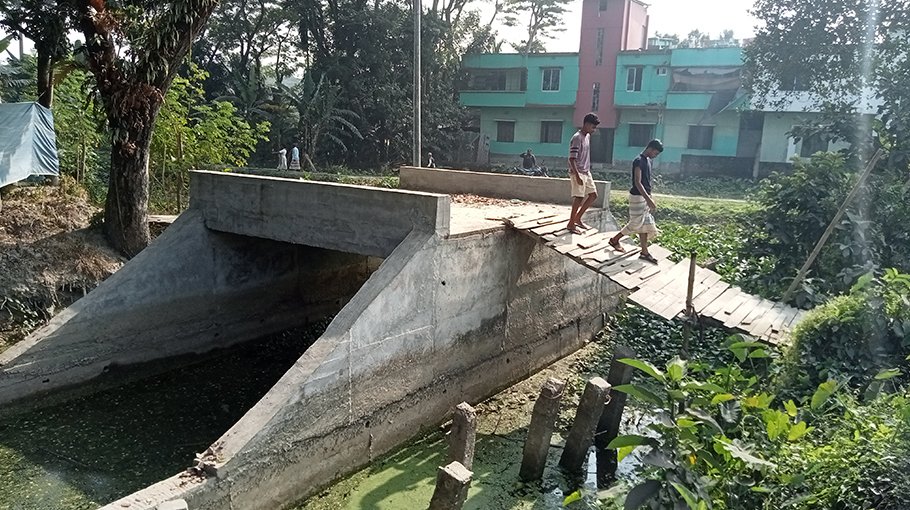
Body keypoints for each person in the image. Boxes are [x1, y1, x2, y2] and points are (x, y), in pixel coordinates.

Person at [609, 139, 664, 263]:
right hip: (637, 197)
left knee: (644, 224)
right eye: (655, 153)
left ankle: (644, 252)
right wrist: (648, 199)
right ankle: (615, 239)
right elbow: (638, 183)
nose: (655, 156)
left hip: (645, 196)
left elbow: (646, 182)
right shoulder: (638, 161)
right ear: (650, 148)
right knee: (635, 223)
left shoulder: (648, 161)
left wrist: (649, 197)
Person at [566, 113, 600, 234]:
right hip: (578, 171)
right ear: (586, 124)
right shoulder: (577, 138)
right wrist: (577, 175)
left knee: (593, 195)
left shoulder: (587, 137)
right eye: (593, 127)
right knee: (579, 197)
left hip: (586, 171)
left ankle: (578, 218)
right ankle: (571, 223)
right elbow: (572, 158)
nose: (594, 130)